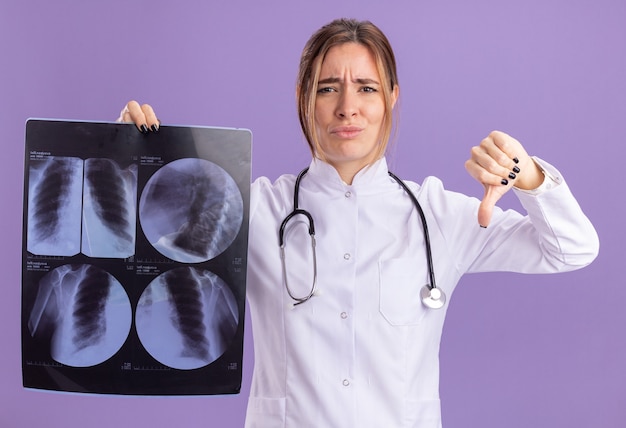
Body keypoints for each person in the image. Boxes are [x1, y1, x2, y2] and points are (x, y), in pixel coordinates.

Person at [119, 18, 598, 428]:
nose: (348, 107)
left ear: (391, 98)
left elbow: (572, 249)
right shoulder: (254, 209)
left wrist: (529, 176)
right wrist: (125, 162)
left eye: (366, 88)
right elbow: (139, 246)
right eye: (328, 87)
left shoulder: (440, 216)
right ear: (305, 97)